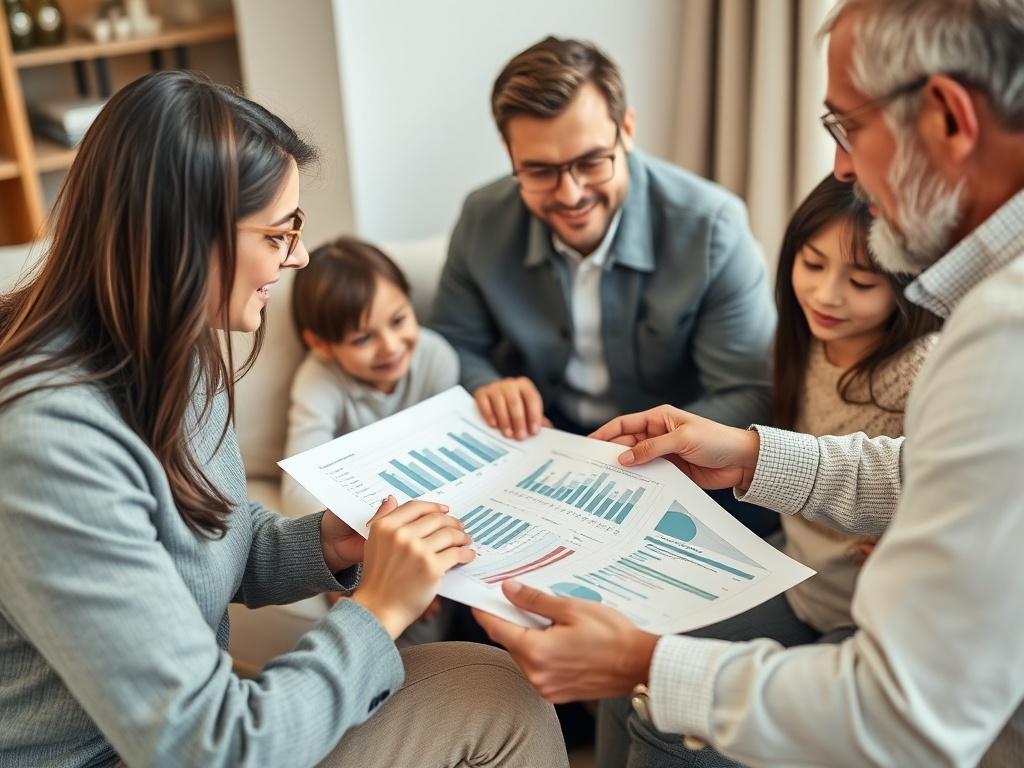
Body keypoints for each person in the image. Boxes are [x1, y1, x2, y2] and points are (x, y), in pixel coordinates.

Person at [473, 1, 1024, 765]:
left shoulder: (1005, 331)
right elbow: (939, 470)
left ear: (948, 119)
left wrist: (642, 663)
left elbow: (904, 716)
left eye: (847, 128)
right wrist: (754, 456)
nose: (841, 169)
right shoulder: (988, 309)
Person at [0, 71, 566, 768]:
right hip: (128, 753)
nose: (297, 256)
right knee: (499, 706)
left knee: (501, 692)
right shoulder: (46, 442)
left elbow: (218, 544)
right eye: (279, 232)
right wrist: (379, 608)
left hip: (185, 728)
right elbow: (211, 747)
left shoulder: (182, 351)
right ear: (186, 238)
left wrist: (335, 542)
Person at [594, 173, 942, 766]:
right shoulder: (800, 342)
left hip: (866, 613)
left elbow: (946, 491)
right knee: (622, 664)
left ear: (905, 285)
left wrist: (908, 540)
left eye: (861, 281)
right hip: (793, 572)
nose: (827, 295)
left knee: (678, 725)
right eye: (811, 264)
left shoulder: (925, 370)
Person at [430, 36, 775, 441]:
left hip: (684, 454)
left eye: (591, 162)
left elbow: (748, 391)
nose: (570, 195)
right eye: (540, 171)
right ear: (510, 154)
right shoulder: (481, 217)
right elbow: (451, 343)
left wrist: (648, 443)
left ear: (626, 131)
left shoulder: (713, 227)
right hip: (543, 438)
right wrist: (486, 385)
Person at [282, 237, 459, 518]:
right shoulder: (318, 381)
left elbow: (455, 446)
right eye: (363, 338)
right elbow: (296, 492)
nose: (391, 346)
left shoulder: (436, 356)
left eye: (398, 320)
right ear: (321, 345)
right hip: (367, 506)